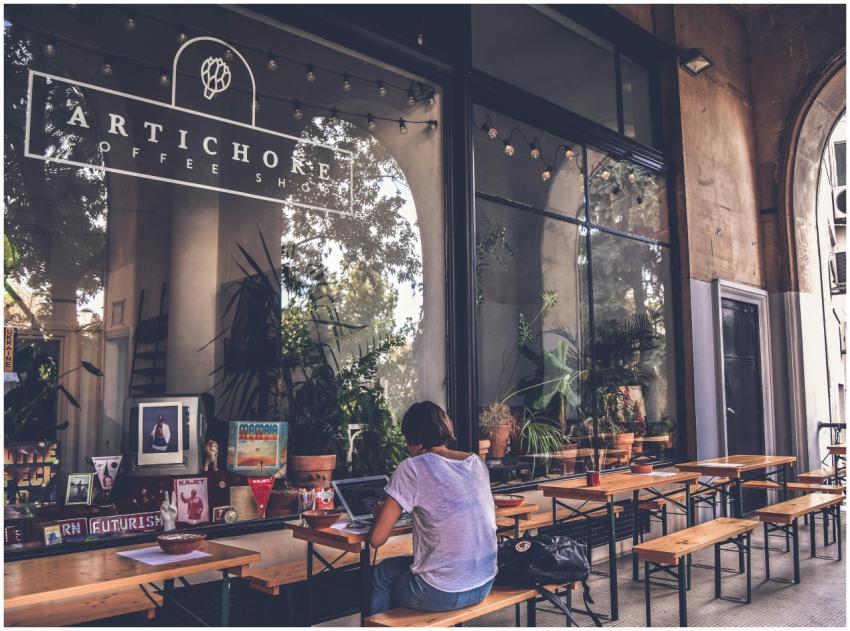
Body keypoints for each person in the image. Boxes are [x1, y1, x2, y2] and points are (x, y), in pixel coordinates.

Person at [369, 401, 497, 615]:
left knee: (383, 574)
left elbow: (376, 539)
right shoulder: (475, 462)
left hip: (441, 592)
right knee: (404, 568)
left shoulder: (411, 468)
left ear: (413, 438)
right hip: (484, 583)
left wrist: (382, 514)